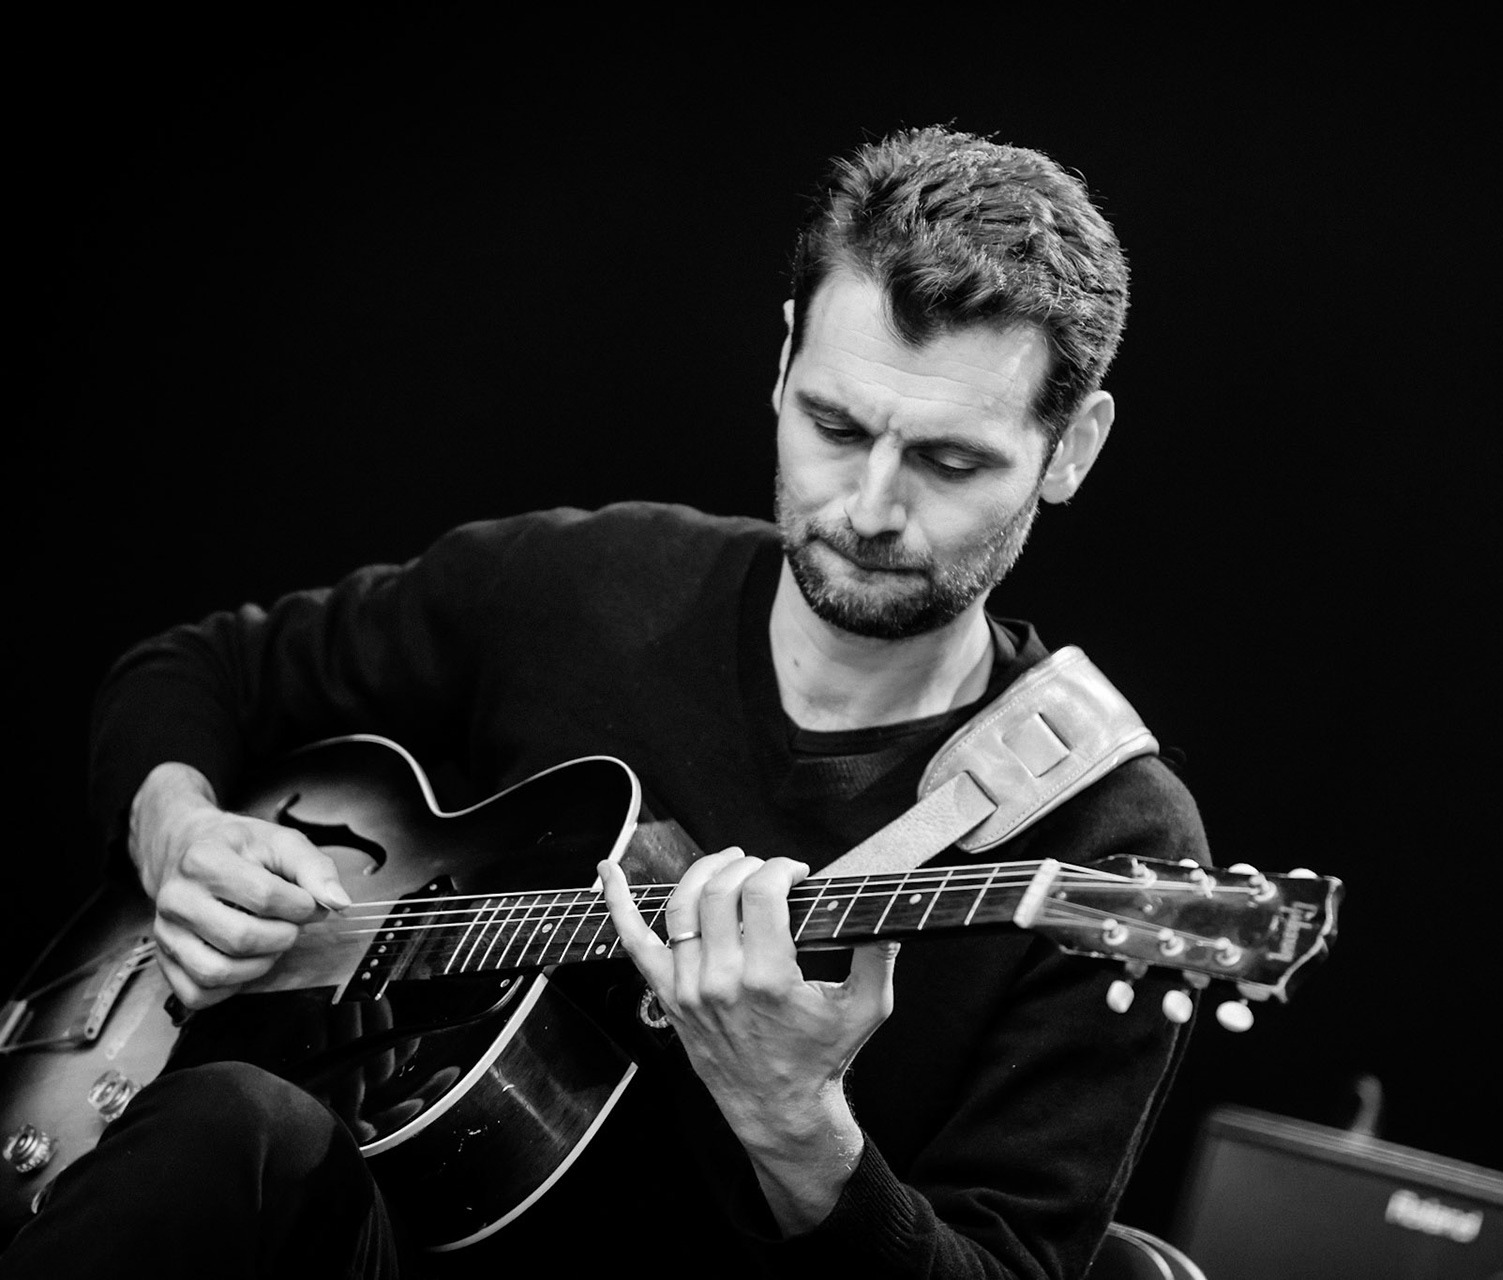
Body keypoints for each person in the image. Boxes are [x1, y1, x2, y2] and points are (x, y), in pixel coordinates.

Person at [2, 126, 1208, 1278]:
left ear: (1072, 447)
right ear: (782, 355)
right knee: (229, 1122)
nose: (870, 507)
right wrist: (179, 831)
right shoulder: (590, 583)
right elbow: (192, 671)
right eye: (833, 425)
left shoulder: (1110, 843)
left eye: (950, 461)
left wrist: (796, 1124)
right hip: (361, 1236)